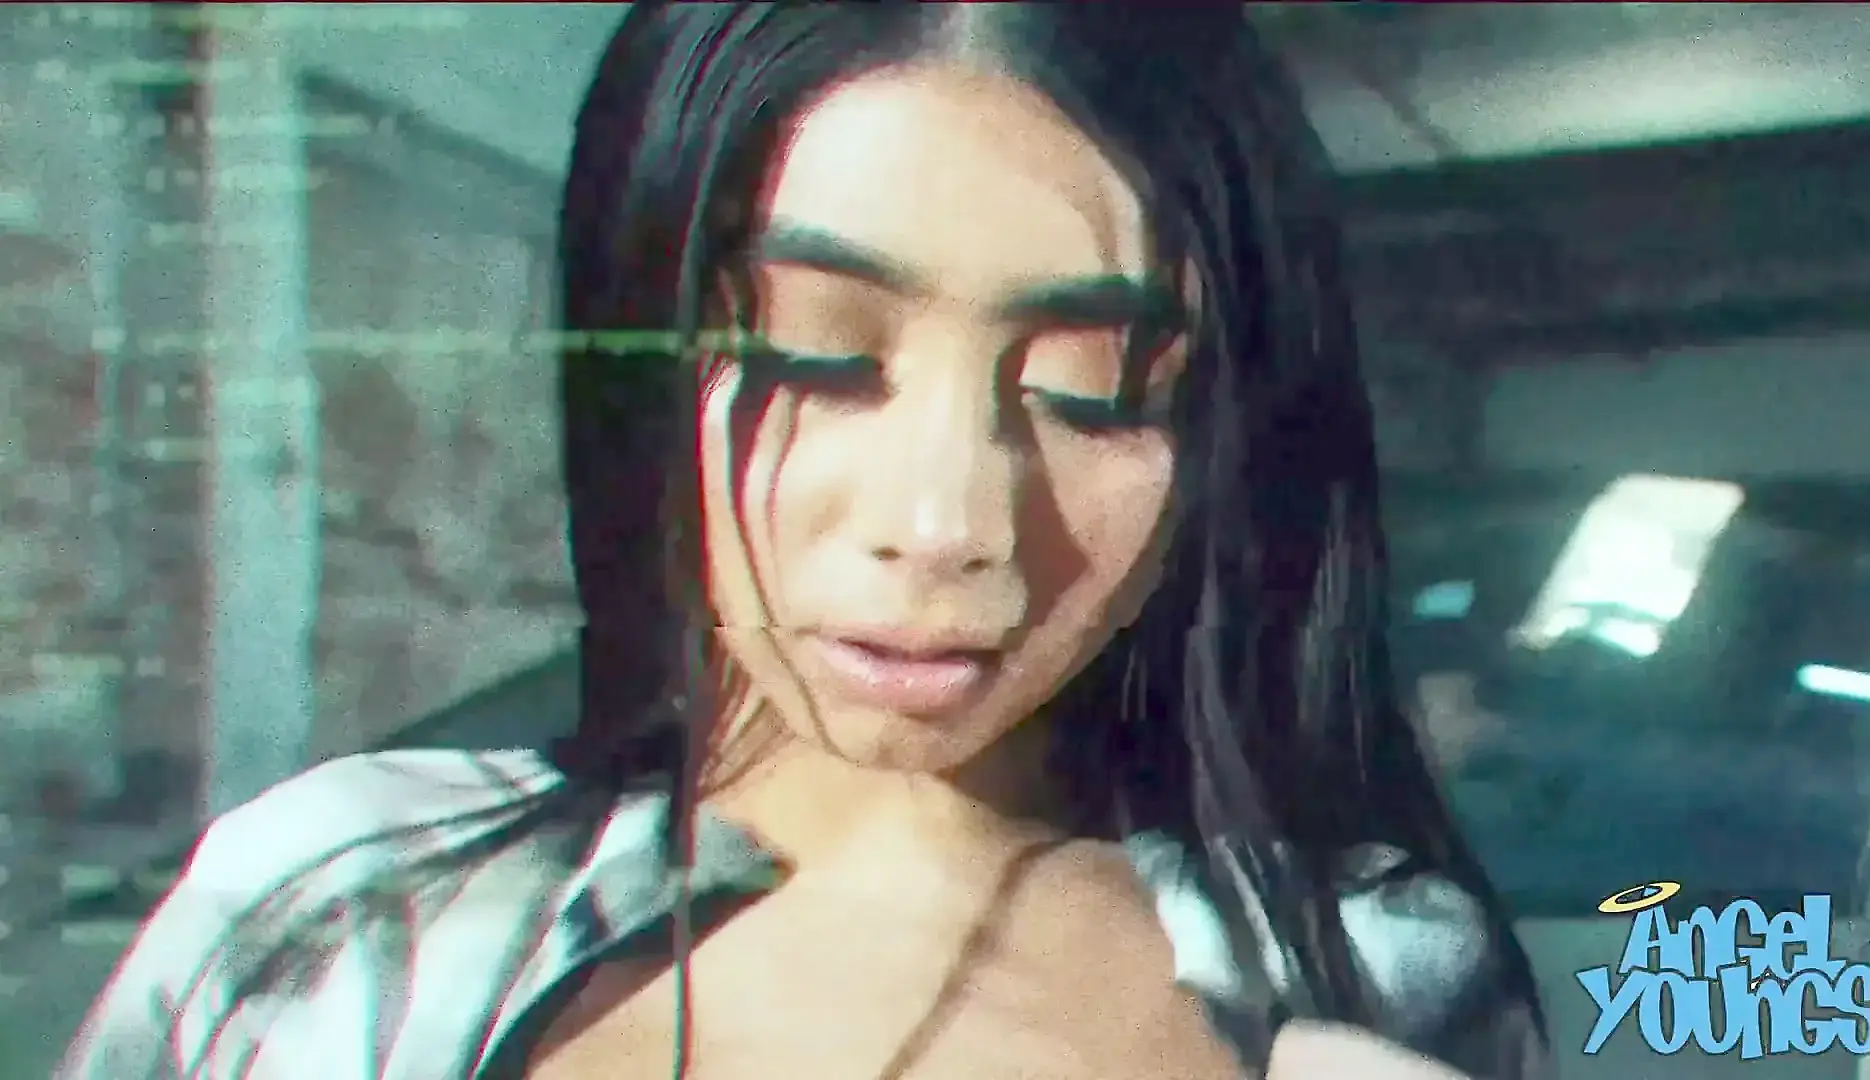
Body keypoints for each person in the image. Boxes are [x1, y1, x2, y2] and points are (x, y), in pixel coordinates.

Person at [57, 5, 1550, 1078]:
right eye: (810, 357)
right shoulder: (338, 899)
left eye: (1098, 391)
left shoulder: (1377, 971)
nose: (946, 525)